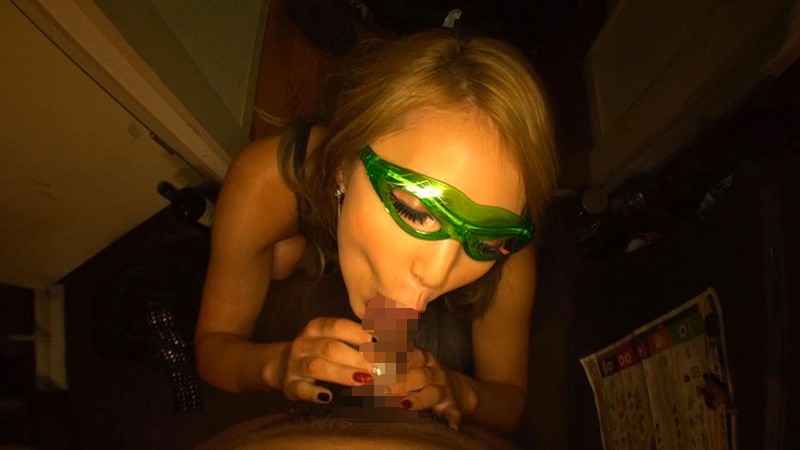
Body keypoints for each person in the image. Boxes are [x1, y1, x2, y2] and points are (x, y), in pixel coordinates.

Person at [194, 28, 558, 435]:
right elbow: (213, 347)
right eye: (413, 211)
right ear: (343, 165)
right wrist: (275, 366)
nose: (437, 274)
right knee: (280, 262)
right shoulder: (265, 181)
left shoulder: (510, 254)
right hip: (309, 212)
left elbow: (508, 401)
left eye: (486, 240)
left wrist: (461, 392)